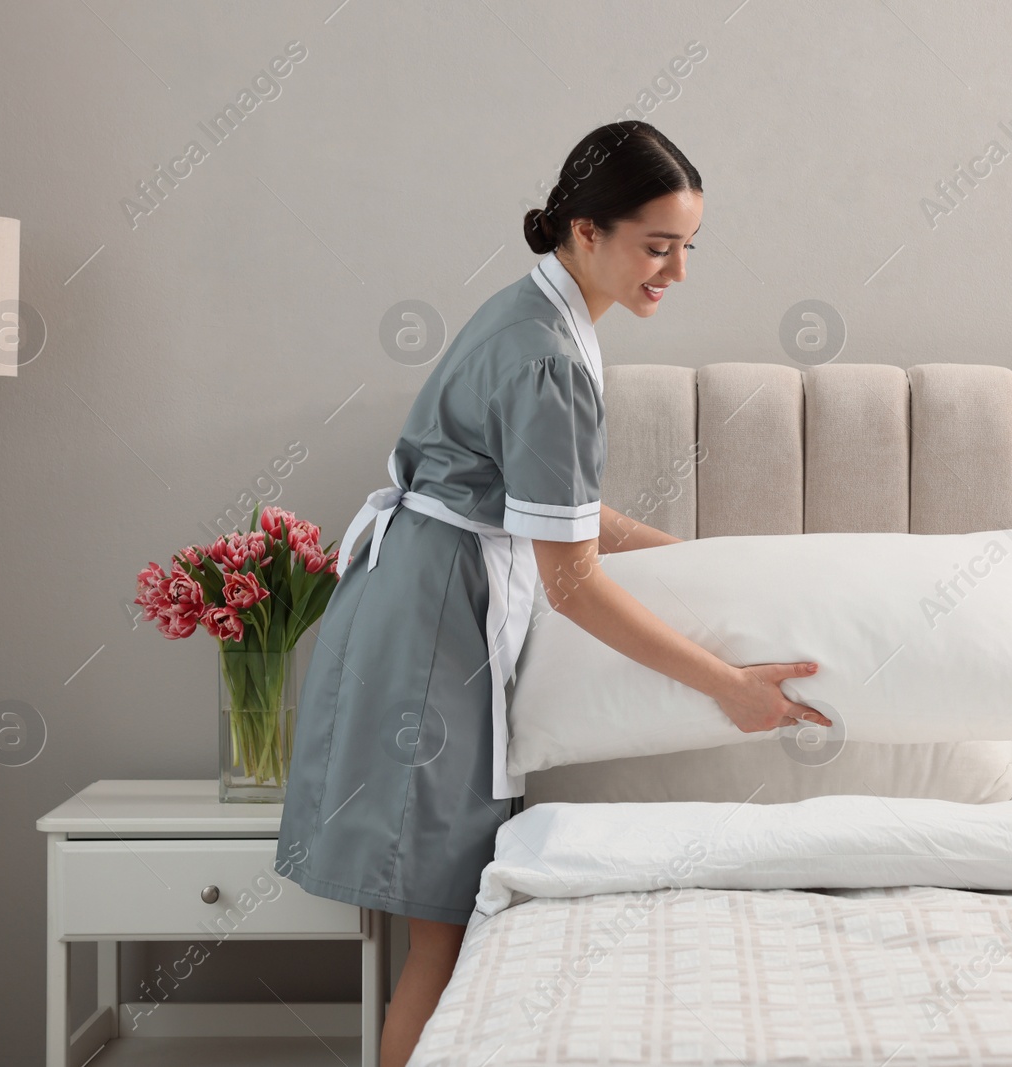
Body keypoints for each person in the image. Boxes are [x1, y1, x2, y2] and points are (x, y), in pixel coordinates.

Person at [275, 120, 830, 1067]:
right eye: (658, 247)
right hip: (432, 628)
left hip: (418, 593)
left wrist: (703, 560)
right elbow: (569, 581)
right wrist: (726, 686)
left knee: (442, 929)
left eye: (688, 247)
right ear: (585, 230)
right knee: (443, 935)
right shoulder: (549, 359)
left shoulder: (534, 316)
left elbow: (561, 509)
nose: (677, 272)